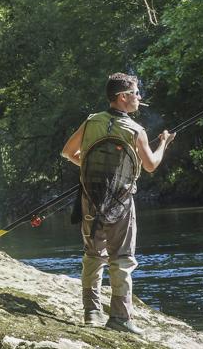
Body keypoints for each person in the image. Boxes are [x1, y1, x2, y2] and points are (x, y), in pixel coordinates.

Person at [61, 73, 175, 335]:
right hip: (121, 203)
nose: (139, 97)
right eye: (136, 93)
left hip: (89, 198)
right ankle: (121, 318)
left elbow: (68, 152)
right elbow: (150, 165)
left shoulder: (92, 121)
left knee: (93, 254)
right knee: (122, 258)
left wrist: (91, 169)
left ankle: (91, 312)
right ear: (123, 97)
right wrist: (165, 144)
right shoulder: (135, 130)